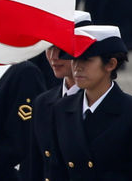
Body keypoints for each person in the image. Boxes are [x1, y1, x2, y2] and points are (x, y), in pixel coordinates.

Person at [49, 25, 132, 179]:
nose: (76, 67)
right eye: (74, 59)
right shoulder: (61, 108)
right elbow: (57, 170)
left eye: (86, 60)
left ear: (111, 64)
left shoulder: (131, 112)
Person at [23, 11, 91, 181]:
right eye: (49, 47)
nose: (54, 57)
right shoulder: (43, 102)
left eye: (62, 48)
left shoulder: (97, 101)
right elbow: (33, 166)